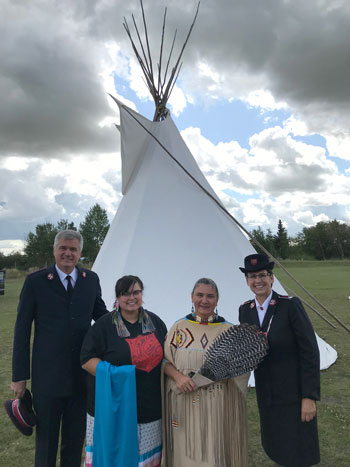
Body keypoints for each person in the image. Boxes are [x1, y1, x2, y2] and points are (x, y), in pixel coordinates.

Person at [11, 229, 108, 467]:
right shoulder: (36, 282)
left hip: (81, 377)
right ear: (54, 251)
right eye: (63, 248)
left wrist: (130, 320)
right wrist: (20, 377)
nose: (67, 253)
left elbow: (103, 318)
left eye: (73, 249)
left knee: (74, 443)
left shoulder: (91, 280)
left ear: (80, 253)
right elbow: (22, 332)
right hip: (48, 379)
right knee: (46, 445)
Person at [238, 253, 320, 467]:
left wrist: (309, 396)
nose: (258, 281)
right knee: (276, 446)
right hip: (267, 393)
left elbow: (309, 352)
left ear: (272, 278)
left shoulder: (290, 306)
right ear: (247, 281)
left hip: (293, 393)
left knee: (298, 449)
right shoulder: (245, 311)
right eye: (252, 276)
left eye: (263, 275)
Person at [80, 275, 167, 467]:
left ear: (142, 294)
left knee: (146, 460)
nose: (131, 297)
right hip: (114, 409)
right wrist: (119, 375)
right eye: (125, 293)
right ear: (117, 298)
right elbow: (86, 360)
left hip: (149, 409)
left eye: (136, 292)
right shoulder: (103, 326)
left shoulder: (155, 322)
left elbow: (167, 356)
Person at [163, 278, 249, 467]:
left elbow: (240, 372)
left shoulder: (228, 331)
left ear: (217, 300)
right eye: (199, 295)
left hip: (215, 404)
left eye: (210, 296)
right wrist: (178, 377)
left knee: (212, 452)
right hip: (182, 401)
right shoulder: (179, 328)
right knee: (183, 452)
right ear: (191, 297)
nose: (204, 300)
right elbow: (165, 361)